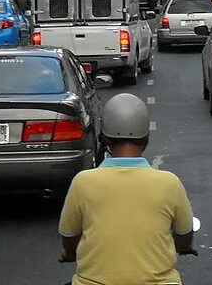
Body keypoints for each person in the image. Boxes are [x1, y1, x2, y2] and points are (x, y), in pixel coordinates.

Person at [59, 94, 194, 285]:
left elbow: (69, 236)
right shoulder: (169, 183)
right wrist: (182, 245)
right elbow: (184, 235)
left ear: (105, 137)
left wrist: (69, 252)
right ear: (146, 137)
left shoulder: (83, 182)